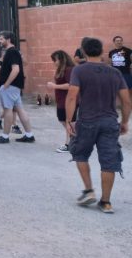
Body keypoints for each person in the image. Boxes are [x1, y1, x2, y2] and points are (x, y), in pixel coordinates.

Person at [66, 37, 130, 214]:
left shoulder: (79, 71)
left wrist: (69, 120)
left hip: (87, 121)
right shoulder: (115, 73)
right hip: (110, 122)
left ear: (84, 52)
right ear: (102, 51)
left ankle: (88, 190)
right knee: (109, 161)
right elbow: (126, 101)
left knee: (79, 153)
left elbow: (72, 96)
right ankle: (106, 202)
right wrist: (124, 122)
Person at [0, 31, 35, 144]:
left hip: (10, 86)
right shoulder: (12, 52)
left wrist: (6, 84)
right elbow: (12, 69)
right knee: (19, 109)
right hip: (13, 86)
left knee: (8, 110)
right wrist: (0, 70)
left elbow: (16, 69)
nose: (0, 41)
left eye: (1, 39)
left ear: (8, 39)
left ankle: (5, 136)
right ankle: (29, 135)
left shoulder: (12, 52)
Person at [46, 50, 76, 153]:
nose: (54, 62)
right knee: (63, 120)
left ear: (61, 59)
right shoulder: (62, 70)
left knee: (69, 122)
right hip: (61, 100)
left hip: (68, 100)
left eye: (55, 60)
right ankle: (75, 140)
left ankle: (69, 144)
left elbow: (71, 85)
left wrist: (55, 86)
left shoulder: (69, 70)